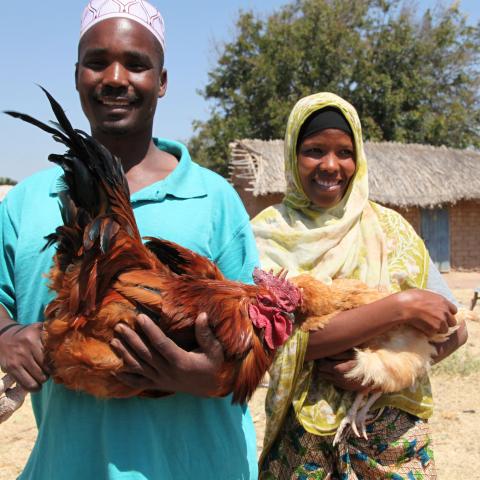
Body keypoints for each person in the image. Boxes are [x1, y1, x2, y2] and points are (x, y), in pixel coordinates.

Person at [0, 1, 259, 478]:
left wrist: (212, 375)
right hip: (70, 467)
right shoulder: (24, 204)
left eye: (137, 64)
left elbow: (258, 336)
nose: (115, 77)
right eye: (97, 61)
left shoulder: (214, 199)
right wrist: (6, 334)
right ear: (77, 75)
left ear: (161, 81)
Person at [251, 92, 468, 479]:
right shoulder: (264, 235)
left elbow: (454, 328)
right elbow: (277, 341)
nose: (331, 165)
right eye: (315, 150)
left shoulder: (390, 229)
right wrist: (398, 308)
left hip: (391, 440)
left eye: (344, 152)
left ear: (359, 158)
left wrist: (384, 373)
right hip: (300, 444)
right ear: (292, 155)